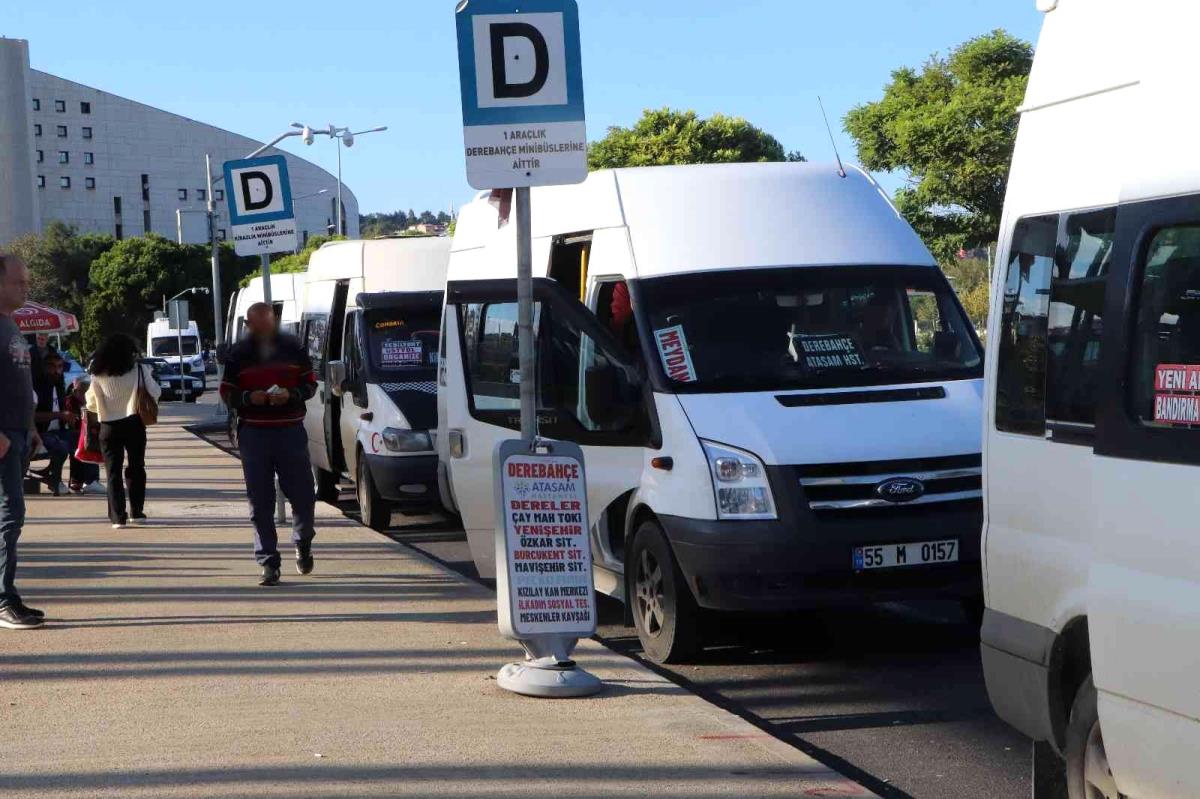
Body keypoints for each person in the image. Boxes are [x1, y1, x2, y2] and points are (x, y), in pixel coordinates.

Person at [220, 303, 318, 586]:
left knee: (302, 495)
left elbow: (310, 385)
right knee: (259, 501)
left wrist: (292, 394)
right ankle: (268, 563)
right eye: (258, 325)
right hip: (254, 434)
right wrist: (251, 398)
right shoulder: (238, 354)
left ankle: (303, 541)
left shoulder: (294, 349)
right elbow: (227, 392)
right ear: (249, 326)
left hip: (290, 431)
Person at [0, 253, 44, 629]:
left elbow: (19, 385)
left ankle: (7, 595)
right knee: (8, 515)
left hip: (16, 434)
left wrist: (29, 426)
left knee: (11, 516)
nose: (25, 287)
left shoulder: (10, 325)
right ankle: (3, 599)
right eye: (19, 282)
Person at [86, 333, 160, 529]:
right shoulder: (140, 370)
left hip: (108, 427)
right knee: (136, 467)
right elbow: (155, 392)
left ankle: (118, 517)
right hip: (134, 423)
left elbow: (91, 403)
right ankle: (137, 512)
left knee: (112, 472)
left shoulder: (97, 374)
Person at [33, 351, 78, 496]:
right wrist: (59, 415)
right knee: (60, 444)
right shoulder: (36, 387)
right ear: (44, 368)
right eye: (52, 366)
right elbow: (31, 416)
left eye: (60, 367)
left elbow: (63, 412)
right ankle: (55, 480)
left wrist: (71, 419)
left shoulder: (59, 385)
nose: (57, 370)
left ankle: (82, 480)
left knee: (83, 439)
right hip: (38, 432)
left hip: (58, 430)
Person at [64, 377, 103, 494]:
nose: (85, 394)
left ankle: (81, 481)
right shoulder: (70, 401)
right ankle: (90, 481)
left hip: (77, 434)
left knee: (90, 438)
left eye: (88, 391)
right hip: (70, 433)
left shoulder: (89, 403)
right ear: (75, 391)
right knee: (88, 442)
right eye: (82, 391)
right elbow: (73, 423)